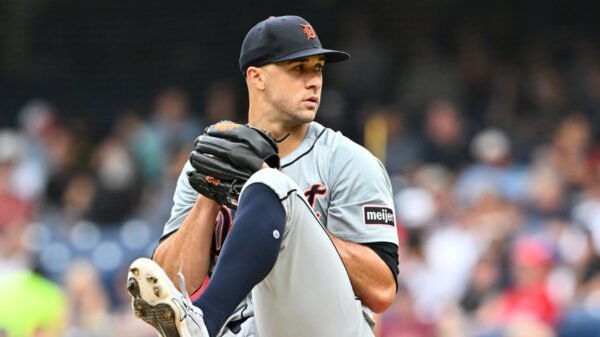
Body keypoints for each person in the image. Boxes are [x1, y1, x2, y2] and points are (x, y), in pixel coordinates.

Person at [130, 15, 399, 337]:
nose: (314, 81)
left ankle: (207, 316)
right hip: (239, 330)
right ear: (257, 77)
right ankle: (203, 321)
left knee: (270, 185)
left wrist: (296, 220)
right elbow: (170, 285)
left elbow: (382, 291)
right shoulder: (211, 159)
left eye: (318, 68)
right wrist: (210, 195)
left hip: (323, 327)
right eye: (299, 69)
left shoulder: (348, 161)